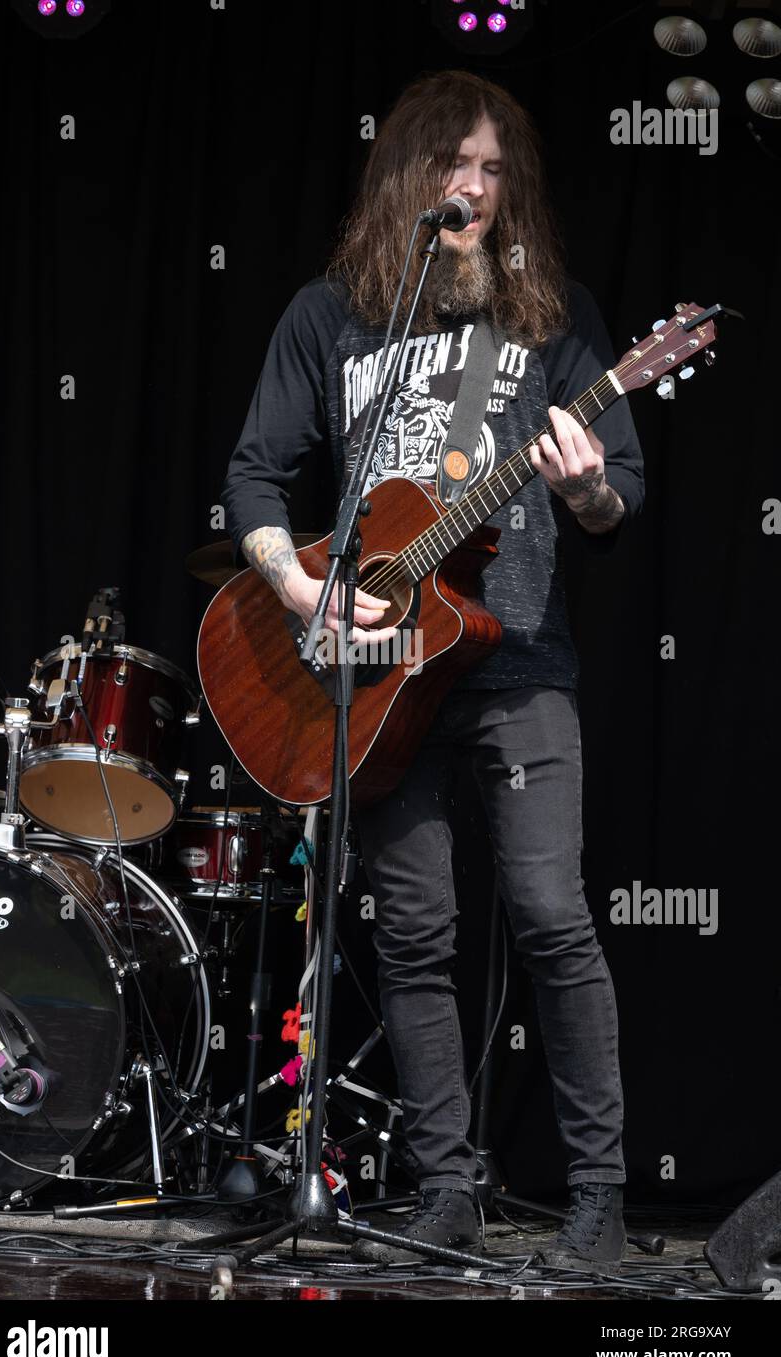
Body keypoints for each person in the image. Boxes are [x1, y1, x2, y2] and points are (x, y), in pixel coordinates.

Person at [220, 70, 644, 1273]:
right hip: (377, 677)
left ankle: (599, 1204)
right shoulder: (329, 316)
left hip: (518, 660)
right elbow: (254, 475)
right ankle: (446, 1187)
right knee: (411, 936)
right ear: (406, 177)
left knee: (553, 919)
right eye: (454, 164)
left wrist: (583, 485)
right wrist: (302, 587)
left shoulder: (552, 315)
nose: (474, 187)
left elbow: (619, 495)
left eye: (495, 168)